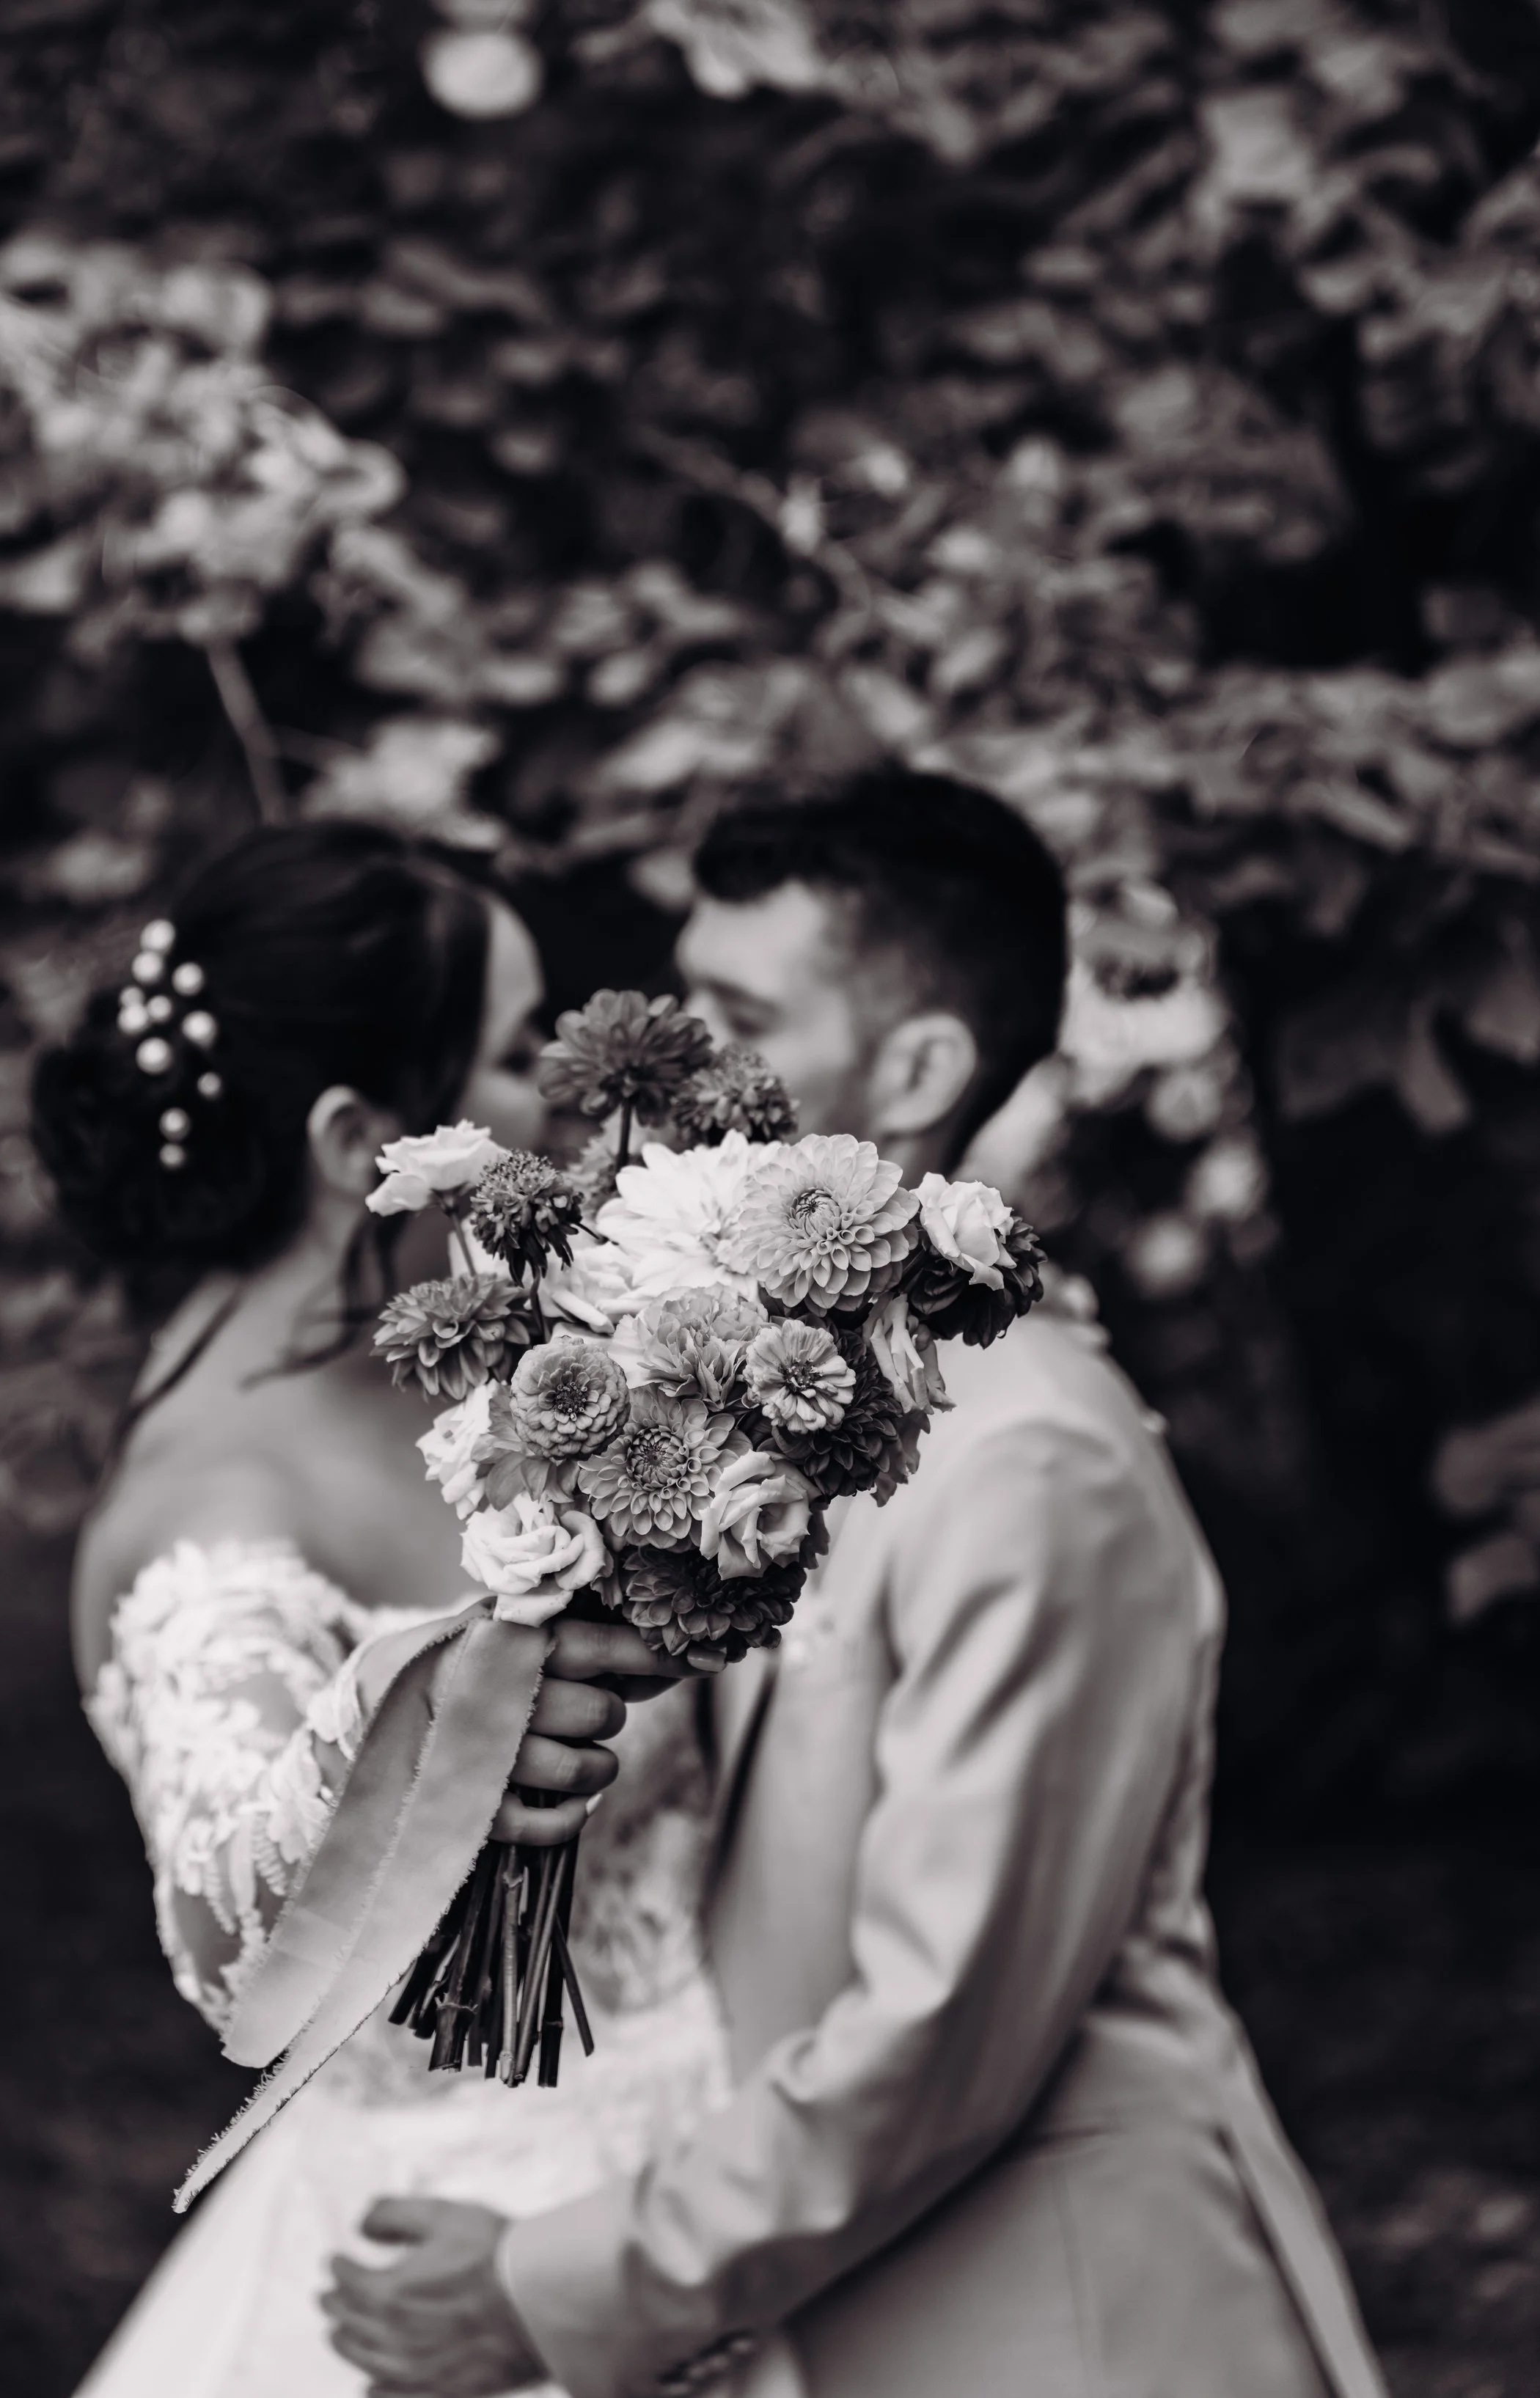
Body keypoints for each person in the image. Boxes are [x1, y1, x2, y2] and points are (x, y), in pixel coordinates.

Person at [323, 773, 1390, 2398]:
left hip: (1067, 2323)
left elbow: (940, 2029)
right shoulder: (762, 1406)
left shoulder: (1035, 1457)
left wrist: (553, 2286)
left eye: (737, 1013)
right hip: (848, 2310)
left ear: (910, 1071)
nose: (671, 1062)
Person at [36, 822, 724, 2398]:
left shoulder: (468, 1376)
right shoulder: (200, 1526)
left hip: (698, 2199)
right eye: (509, 1051)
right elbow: (250, 1952)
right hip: (458, 2283)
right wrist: (419, 1708)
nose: (560, 1094)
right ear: (360, 1141)